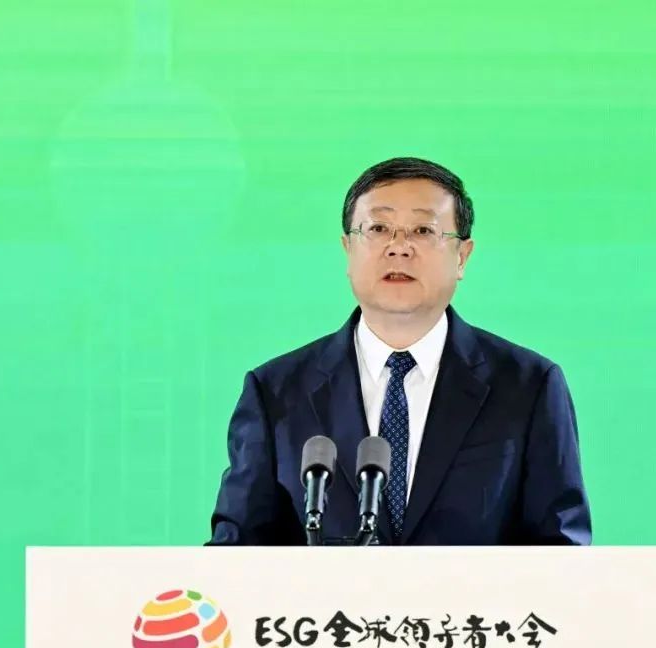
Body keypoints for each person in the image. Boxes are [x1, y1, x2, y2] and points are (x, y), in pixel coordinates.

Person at [207, 157, 591, 545]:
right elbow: (234, 553)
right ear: (348, 249)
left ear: (462, 256)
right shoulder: (276, 392)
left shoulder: (528, 387)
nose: (399, 248)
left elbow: (562, 552)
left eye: (423, 230)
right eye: (378, 229)